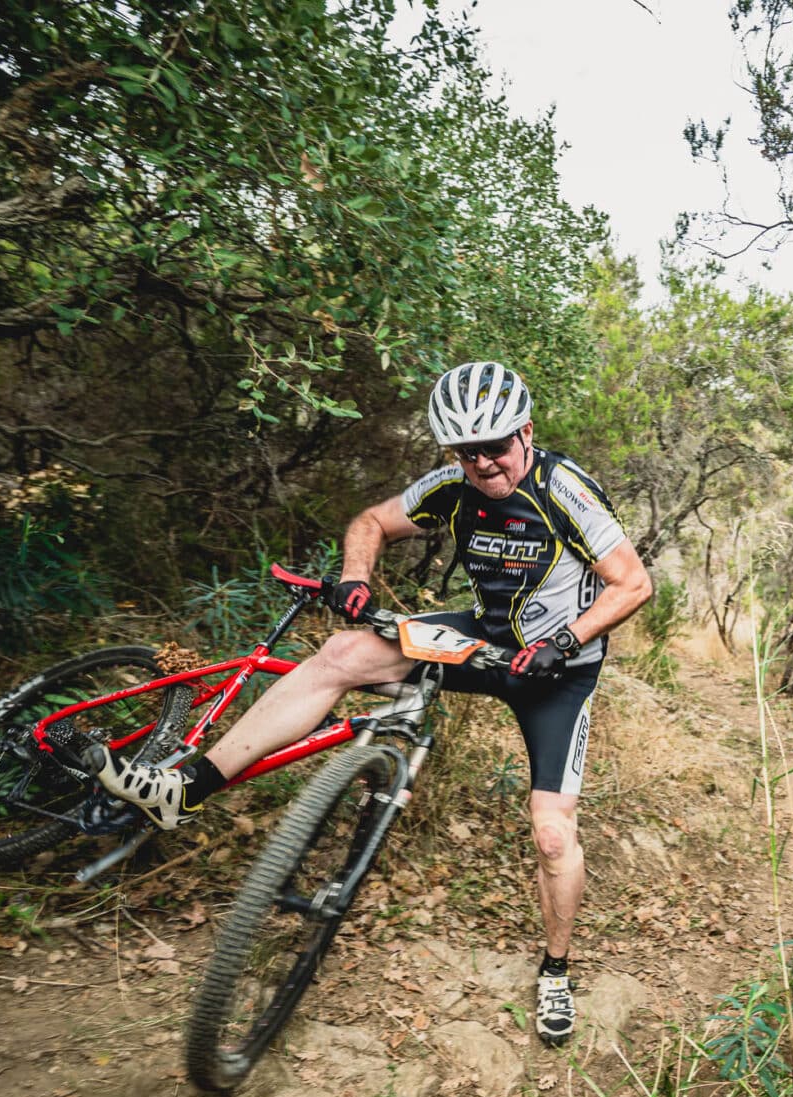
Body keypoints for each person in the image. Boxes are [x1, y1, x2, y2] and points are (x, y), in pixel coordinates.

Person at [85, 361, 653, 1047]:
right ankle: (186, 788)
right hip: (479, 640)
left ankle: (556, 970)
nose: (482, 463)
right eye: (465, 451)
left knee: (552, 833)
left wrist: (564, 641)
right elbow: (372, 521)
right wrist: (356, 576)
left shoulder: (563, 490)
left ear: (525, 433)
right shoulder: (452, 486)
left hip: (554, 671)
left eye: (495, 446)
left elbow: (632, 583)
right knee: (341, 654)